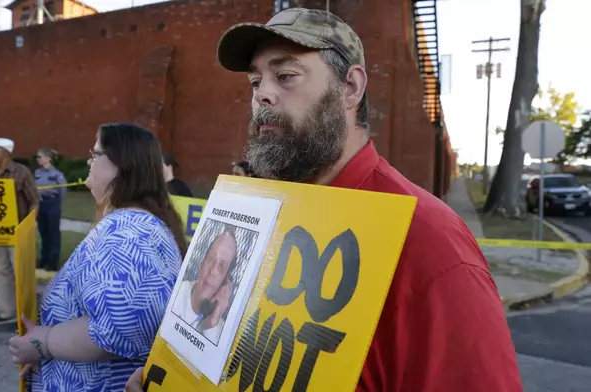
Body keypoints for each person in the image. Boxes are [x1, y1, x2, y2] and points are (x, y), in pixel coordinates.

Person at [126, 7, 522, 392]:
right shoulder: (255, 215)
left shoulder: (428, 243)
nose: (262, 94)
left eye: (286, 75)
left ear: (350, 88)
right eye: (255, 82)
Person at [7, 123, 188, 391]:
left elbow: (126, 323)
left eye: (96, 153)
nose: (89, 160)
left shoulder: (128, 232)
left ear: (121, 164)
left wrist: (43, 343)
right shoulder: (132, 224)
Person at [0, 137, 40, 327]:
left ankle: (27, 317)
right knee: (0, 271)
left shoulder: (21, 172)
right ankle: (6, 312)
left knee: (21, 273)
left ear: (4, 153)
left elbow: (34, 200)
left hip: (19, 230)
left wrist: (28, 226)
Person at [172, 230, 236, 343]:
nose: (213, 271)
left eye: (222, 266)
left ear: (225, 281)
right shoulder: (176, 291)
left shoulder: (221, 333)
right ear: (202, 262)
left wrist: (212, 323)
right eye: (211, 259)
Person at [34, 148, 67, 271]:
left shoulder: (57, 174)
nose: (38, 159)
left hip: (52, 202)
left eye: (40, 157)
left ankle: (53, 262)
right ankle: (44, 259)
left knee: (53, 233)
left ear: (48, 158)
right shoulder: (37, 172)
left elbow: (62, 190)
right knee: (43, 232)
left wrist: (57, 204)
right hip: (40, 203)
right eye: (37, 157)